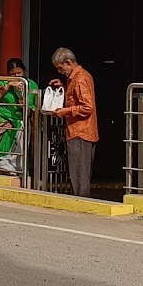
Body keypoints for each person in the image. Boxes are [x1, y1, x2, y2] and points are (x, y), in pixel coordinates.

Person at [49, 47, 99, 199]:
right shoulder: (77, 78)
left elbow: (87, 107)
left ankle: (81, 201)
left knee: (79, 175)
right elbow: (76, 99)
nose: (60, 71)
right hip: (79, 131)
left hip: (80, 132)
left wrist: (65, 111)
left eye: (60, 67)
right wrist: (64, 88)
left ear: (68, 62)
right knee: (79, 173)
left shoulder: (80, 78)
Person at [0, 58, 37, 175]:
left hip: (22, 121)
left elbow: (35, 105)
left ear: (24, 71)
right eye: (13, 74)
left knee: (21, 148)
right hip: (5, 119)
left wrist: (25, 106)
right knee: (3, 148)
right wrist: (8, 85)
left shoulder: (31, 84)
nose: (17, 76)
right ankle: (1, 168)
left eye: (19, 72)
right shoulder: (4, 83)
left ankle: (19, 171)